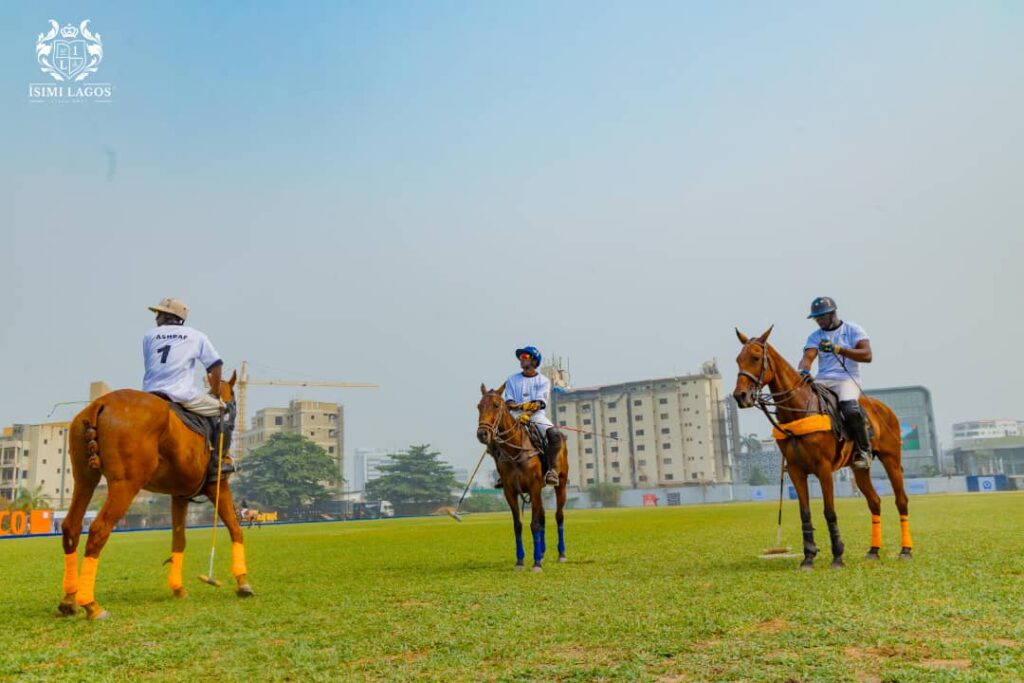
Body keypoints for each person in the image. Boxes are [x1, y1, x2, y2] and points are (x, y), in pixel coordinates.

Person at [143, 297, 232, 474]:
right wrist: (215, 392)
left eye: (158, 314)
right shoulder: (196, 336)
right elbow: (216, 365)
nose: (156, 317)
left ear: (167, 316)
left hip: (149, 394)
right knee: (224, 410)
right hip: (180, 394)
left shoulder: (149, 336)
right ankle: (218, 462)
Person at [797, 297, 874, 469]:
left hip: (847, 378)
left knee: (849, 408)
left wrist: (838, 349)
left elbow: (867, 355)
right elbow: (807, 357)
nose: (819, 321)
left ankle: (864, 450)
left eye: (821, 317)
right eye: (816, 318)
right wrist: (804, 370)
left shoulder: (853, 329)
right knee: (802, 404)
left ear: (832, 314)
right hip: (823, 379)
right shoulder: (815, 336)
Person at [503, 346, 563, 486]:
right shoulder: (512, 379)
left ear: (534, 361)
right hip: (515, 416)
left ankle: (552, 470)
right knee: (496, 435)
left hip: (536, 416)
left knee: (554, 434)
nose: (521, 359)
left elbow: (539, 403)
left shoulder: (543, 381)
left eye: (525, 356)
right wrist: (518, 409)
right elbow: (509, 401)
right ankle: (503, 471)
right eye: (520, 357)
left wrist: (527, 413)